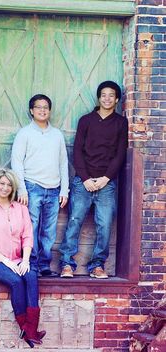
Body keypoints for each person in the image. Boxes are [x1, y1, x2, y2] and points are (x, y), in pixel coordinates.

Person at [59, 81, 128, 279]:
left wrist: (106, 178)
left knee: (105, 224)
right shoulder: (86, 120)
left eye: (111, 95)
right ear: (99, 98)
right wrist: (86, 178)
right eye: (103, 94)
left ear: (116, 99)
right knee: (74, 220)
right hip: (83, 182)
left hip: (106, 183)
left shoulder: (121, 123)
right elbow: (77, 151)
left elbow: (120, 154)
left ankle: (97, 266)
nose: (107, 98)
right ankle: (66, 264)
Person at [0, 169, 46, 348]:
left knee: (30, 276)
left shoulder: (21, 209)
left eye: (8, 184)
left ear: (13, 188)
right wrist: (5, 261)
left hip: (16, 259)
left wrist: (25, 260)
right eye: (2, 183)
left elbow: (28, 236)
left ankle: (30, 330)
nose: (5, 188)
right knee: (15, 281)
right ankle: (26, 328)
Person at [11, 94, 69, 277]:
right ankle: (32, 264)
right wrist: (22, 189)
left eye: (45, 107)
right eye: (38, 107)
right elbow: (17, 162)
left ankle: (45, 265)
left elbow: (63, 163)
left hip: (53, 189)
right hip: (32, 186)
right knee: (32, 227)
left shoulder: (57, 134)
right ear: (31, 110)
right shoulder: (25, 133)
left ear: (49, 110)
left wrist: (64, 189)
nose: (42, 110)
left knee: (49, 230)